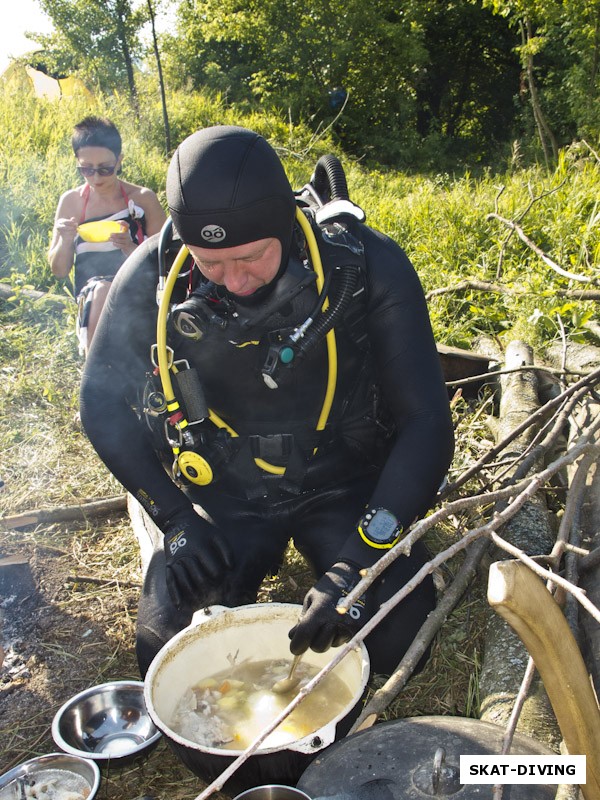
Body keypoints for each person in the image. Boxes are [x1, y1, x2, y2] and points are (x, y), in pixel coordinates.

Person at [79, 125, 454, 682]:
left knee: (401, 643)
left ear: (283, 225)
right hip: (226, 494)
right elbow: (99, 403)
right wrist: (177, 518)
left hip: (344, 482)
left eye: (250, 258)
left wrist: (354, 563)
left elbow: (426, 422)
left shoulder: (365, 266)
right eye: (210, 263)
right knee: (166, 652)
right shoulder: (159, 274)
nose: (234, 281)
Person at [48, 116, 166, 354]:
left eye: (105, 168)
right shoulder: (71, 202)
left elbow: (167, 260)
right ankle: (96, 374)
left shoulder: (142, 198)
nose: (96, 178)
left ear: (119, 161)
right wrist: (66, 239)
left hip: (138, 285)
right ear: (77, 163)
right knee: (102, 290)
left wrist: (132, 249)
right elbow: (59, 270)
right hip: (92, 294)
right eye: (86, 169)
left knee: (110, 290)